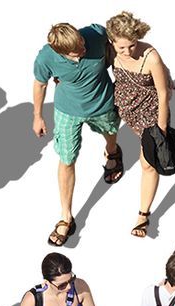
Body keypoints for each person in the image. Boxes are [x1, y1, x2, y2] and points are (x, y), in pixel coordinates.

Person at [33, 22, 122, 246]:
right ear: (60, 52)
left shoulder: (95, 33)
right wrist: (37, 116)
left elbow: (120, 43)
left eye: (83, 44)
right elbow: (40, 84)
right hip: (67, 110)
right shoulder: (46, 57)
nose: (83, 50)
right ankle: (66, 217)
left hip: (102, 103)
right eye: (77, 50)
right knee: (66, 159)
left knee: (111, 134)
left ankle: (112, 154)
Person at [106, 11, 172, 237]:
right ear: (112, 41)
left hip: (150, 114)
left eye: (131, 46)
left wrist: (161, 129)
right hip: (125, 109)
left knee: (148, 164)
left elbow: (163, 94)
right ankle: (114, 155)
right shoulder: (109, 51)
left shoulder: (150, 56)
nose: (127, 52)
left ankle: (143, 215)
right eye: (121, 47)